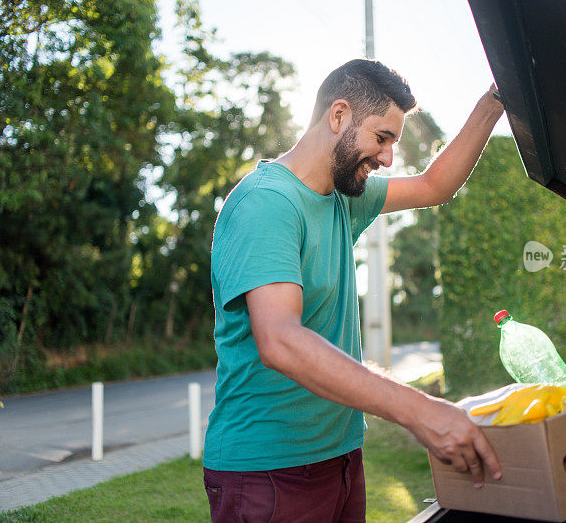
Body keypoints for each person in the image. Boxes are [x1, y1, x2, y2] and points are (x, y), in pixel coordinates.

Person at [203, 59, 505, 522]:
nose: (387, 158)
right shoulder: (266, 203)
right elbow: (279, 340)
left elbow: (434, 184)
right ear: (338, 115)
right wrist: (420, 411)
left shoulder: (345, 197)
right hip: (269, 474)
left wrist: (496, 100)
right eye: (382, 138)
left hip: (342, 458)